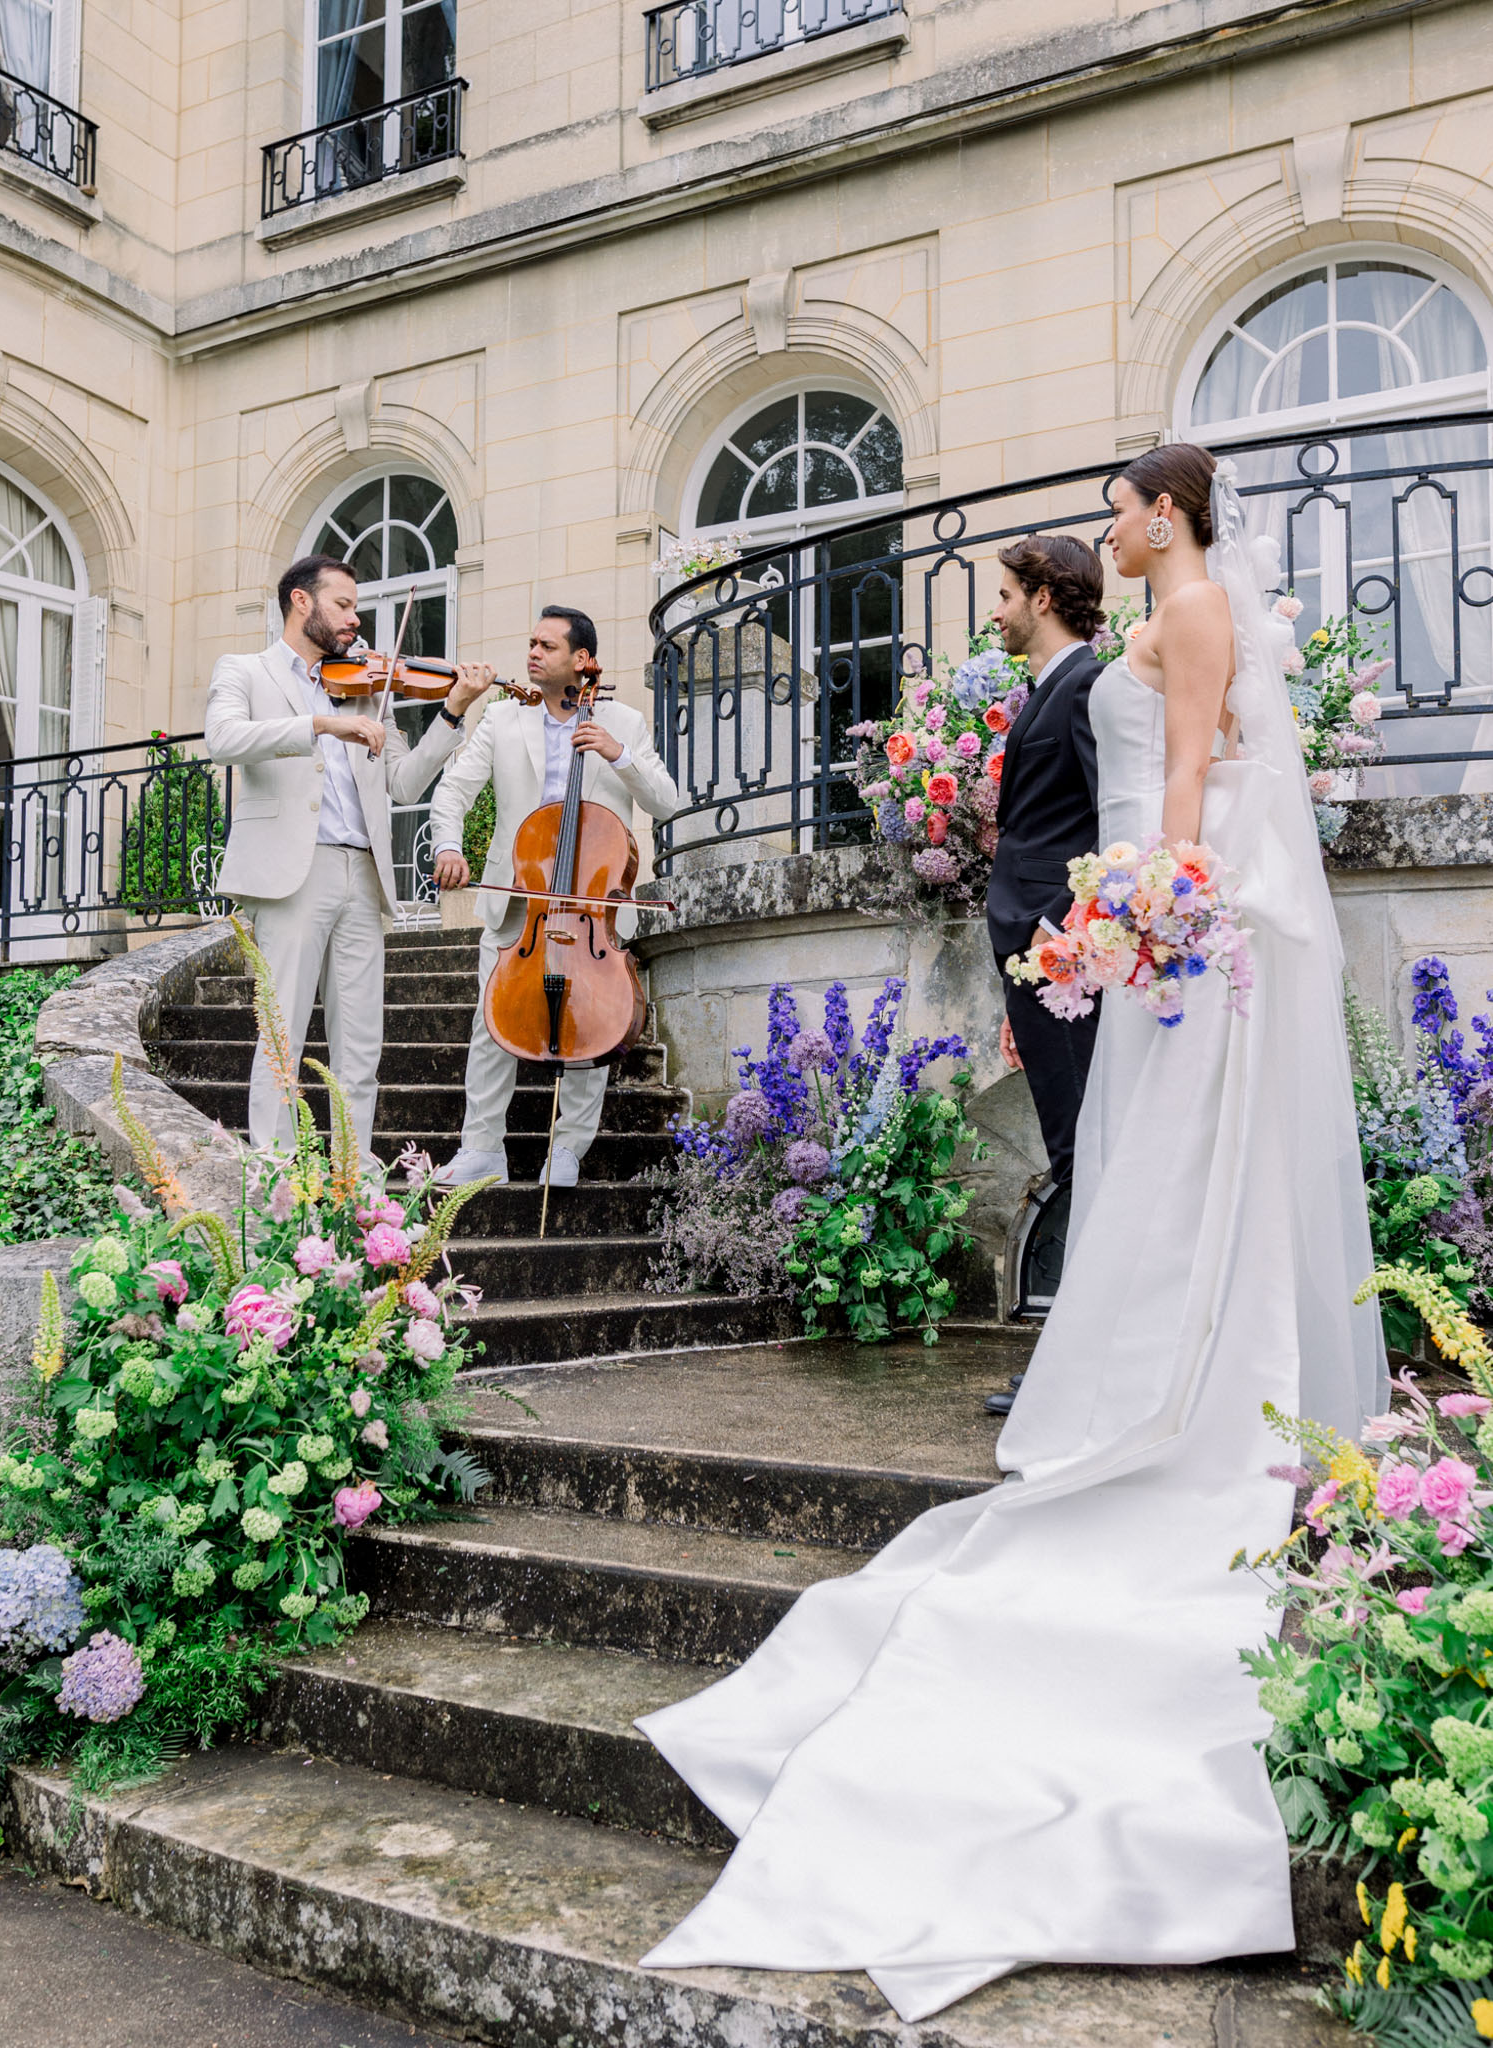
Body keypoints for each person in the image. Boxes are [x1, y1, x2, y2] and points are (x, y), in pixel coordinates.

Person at [635, 446, 1386, 2018]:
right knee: (1145, 1170)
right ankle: (1159, 1368)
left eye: (1119, 504)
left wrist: (1146, 899)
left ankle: (1177, 1396)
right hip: (1175, 905)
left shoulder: (1183, 619)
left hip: (1177, 906)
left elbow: (1188, 777)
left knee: (1170, 1166)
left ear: (1162, 517)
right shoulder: (1167, 612)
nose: (1105, 526)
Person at [206, 553, 493, 1162]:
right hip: (295, 874)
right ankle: (276, 1178)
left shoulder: (364, 690)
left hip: (363, 874)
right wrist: (321, 725)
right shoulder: (246, 671)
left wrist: (453, 712)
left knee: (361, 1042)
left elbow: (405, 784)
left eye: (356, 609)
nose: (355, 621)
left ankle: (351, 1173)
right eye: (343, 605)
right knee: (280, 1033)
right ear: (301, 602)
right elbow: (224, 739)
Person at [428, 605, 679, 1188]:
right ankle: (482, 1148)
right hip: (520, 896)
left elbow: (666, 800)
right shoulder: (502, 721)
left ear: (582, 660)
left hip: (592, 902)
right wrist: (448, 845)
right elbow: (454, 792)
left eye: (547, 645)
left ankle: (566, 1151)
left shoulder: (624, 721)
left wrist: (619, 754)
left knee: (592, 1023)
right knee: (490, 1025)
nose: (533, 653)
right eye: (531, 642)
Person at [983, 535, 1106, 1414]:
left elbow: (1110, 824)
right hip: (1034, 962)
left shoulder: (1090, 687)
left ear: (1045, 596)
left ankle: (1080, 1371)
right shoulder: (1048, 689)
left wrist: (1061, 947)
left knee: (1082, 1154)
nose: (995, 610)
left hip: (1063, 957)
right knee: (1078, 1152)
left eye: (1004, 594)